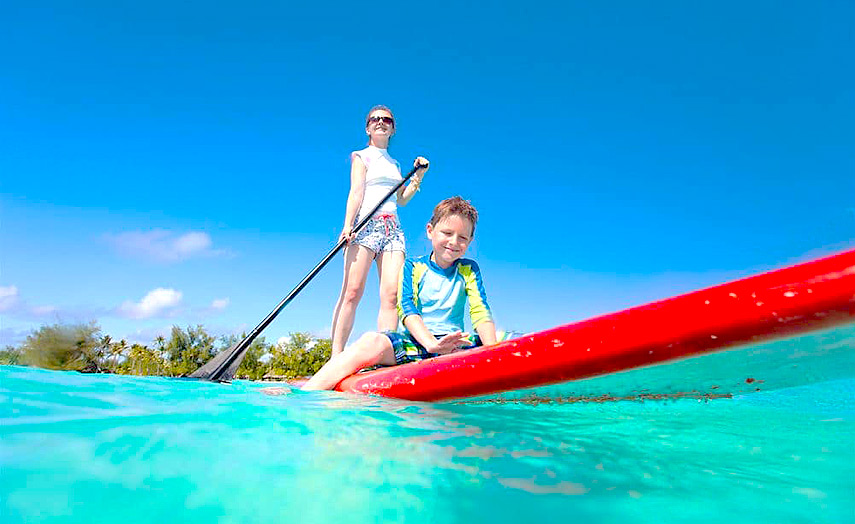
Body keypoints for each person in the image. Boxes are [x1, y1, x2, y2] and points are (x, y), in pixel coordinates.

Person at [303, 196, 514, 391]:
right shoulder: (412, 266)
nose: (454, 242)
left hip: (455, 344)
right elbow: (406, 309)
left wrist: (492, 352)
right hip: (418, 344)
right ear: (430, 231)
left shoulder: (469, 268)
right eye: (447, 233)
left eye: (462, 238)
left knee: (505, 338)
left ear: (470, 241)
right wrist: (432, 344)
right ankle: (307, 392)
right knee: (371, 340)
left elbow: (480, 310)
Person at [328, 105, 430, 358]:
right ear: (368, 128)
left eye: (387, 120)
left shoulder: (396, 164)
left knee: (391, 296)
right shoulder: (361, 156)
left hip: (392, 230)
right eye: (375, 119)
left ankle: (385, 355)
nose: (381, 122)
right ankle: (336, 355)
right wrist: (347, 226)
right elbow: (356, 192)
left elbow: (402, 199)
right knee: (352, 291)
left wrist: (418, 176)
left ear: (393, 129)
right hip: (365, 226)